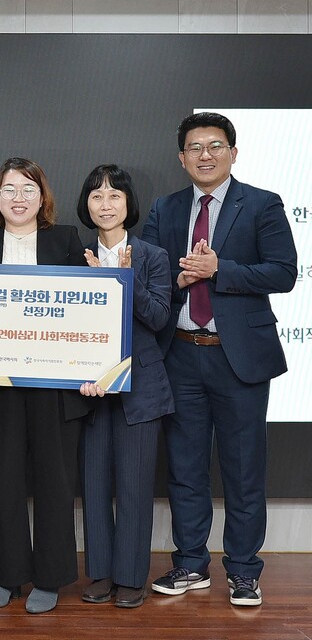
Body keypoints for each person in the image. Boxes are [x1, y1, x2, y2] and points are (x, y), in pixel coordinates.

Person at [141, 112, 297, 607]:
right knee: (185, 468)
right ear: (181, 157)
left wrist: (218, 269)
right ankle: (191, 563)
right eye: (195, 147)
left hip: (239, 358)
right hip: (181, 355)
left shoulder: (263, 204)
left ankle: (244, 571)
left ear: (233, 152)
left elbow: (283, 273)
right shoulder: (165, 209)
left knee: (243, 469)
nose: (204, 155)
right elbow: (147, 278)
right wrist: (179, 279)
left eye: (214, 146)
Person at [0, 157, 91, 614]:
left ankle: (51, 577)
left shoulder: (66, 239)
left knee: (56, 480)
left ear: (43, 197)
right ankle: (7, 575)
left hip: (56, 385)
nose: (18, 198)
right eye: (9, 190)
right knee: (4, 479)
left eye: (28, 189)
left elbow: (86, 309)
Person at [75, 165, 173, 609]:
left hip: (141, 389)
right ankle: (101, 573)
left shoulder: (152, 256)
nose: (106, 204)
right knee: (94, 485)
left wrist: (121, 281)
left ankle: (132, 577)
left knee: (134, 486)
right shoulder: (76, 258)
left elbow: (159, 318)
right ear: (87, 205)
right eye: (97, 196)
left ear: (129, 203)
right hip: (90, 389)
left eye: (115, 195)